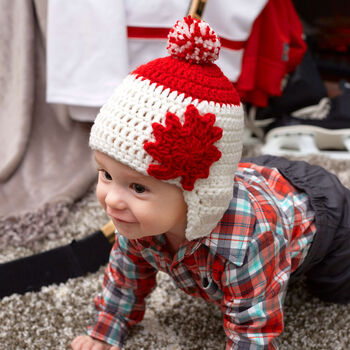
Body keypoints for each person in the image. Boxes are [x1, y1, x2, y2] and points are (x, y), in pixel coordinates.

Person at [71, 16, 350, 350]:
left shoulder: (248, 241)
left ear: (197, 194)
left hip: (327, 217)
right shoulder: (135, 219)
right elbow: (125, 279)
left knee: (335, 290)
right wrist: (104, 332)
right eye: (107, 175)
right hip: (258, 174)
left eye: (138, 187)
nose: (112, 201)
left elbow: (254, 326)